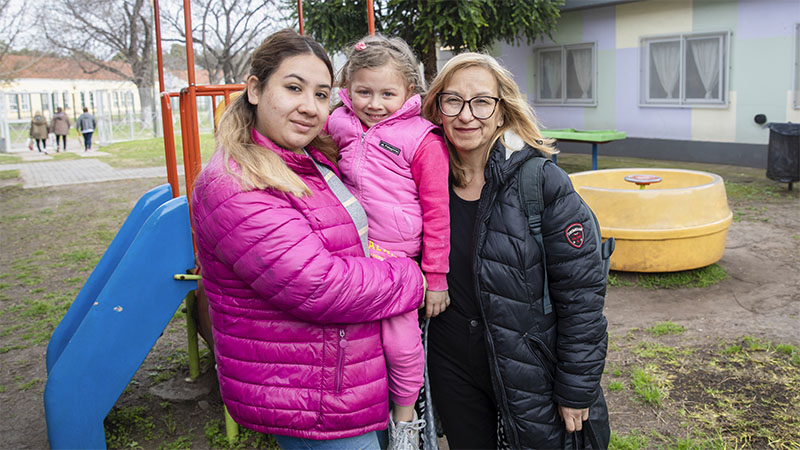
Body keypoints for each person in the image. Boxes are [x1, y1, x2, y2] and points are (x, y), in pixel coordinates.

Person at [190, 29, 425, 450]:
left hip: (342, 380)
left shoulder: (307, 159)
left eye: (320, 94)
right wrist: (413, 277)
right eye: (294, 88)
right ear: (256, 90)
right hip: (311, 397)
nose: (309, 106)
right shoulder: (236, 184)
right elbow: (321, 285)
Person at [420, 52, 611, 449]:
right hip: (451, 362)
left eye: (481, 102)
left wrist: (577, 386)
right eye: (452, 100)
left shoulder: (541, 182)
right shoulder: (420, 182)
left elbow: (581, 296)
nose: (466, 115)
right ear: (438, 107)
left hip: (527, 364)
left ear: (502, 110)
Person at [326, 34, 449, 449]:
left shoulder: (421, 138)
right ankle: (360, 414)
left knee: (401, 344)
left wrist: (435, 277)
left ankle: (404, 415)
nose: (374, 103)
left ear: (409, 92)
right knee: (355, 342)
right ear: (349, 89)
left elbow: (437, 213)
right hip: (349, 250)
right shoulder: (338, 122)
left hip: (396, 259)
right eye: (364, 91)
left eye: (387, 93)